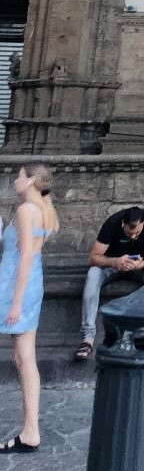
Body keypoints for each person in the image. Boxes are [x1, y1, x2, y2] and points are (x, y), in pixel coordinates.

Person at [0, 164, 58, 453]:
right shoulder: (45, 210)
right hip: (32, 283)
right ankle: (30, 430)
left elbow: (23, 257)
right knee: (24, 357)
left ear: (31, 179)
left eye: (20, 175)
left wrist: (15, 302)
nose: (15, 180)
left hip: (15, 285)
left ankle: (31, 429)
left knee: (23, 358)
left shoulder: (26, 210)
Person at [73, 204, 144, 362]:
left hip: (139, 265)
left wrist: (140, 264)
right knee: (93, 273)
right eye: (129, 233)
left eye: (137, 233)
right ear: (123, 224)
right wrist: (115, 262)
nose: (133, 236)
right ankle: (88, 337)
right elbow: (93, 257)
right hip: (113, 265)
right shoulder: (112, 223)